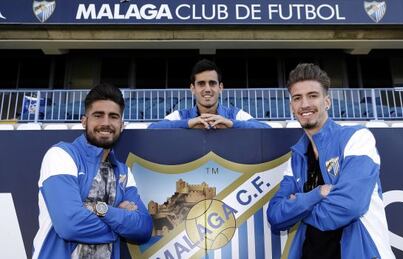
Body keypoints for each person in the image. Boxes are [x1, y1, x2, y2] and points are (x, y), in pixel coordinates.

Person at [266, 63, 395, 259]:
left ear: (327, 102)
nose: (305, 104)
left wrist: (299, 209)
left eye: (313, 96)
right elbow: (275, 216)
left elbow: (349, 206)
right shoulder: (297, 158)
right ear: (292, 106)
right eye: (297, 98)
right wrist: (317, 194)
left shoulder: (357, 138)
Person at [32, 83, 153, 259]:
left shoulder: (123, 172)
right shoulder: (61, 155)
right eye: (98, 115)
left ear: (122, 125)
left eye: (113, 116)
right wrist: (121, 224)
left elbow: (143, 228)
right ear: (84, 121)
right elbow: (69, 224)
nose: (106, 123)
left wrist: (100, 209)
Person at [148, 59, 270, 129]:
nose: (207, 89)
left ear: (220, 87)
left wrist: (231, 124)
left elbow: (266, 129)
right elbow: (151, 129)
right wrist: (189, 123)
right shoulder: (180, 116)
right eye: (201, 84)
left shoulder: (235, 114)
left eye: (212, 83)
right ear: (192, 88)